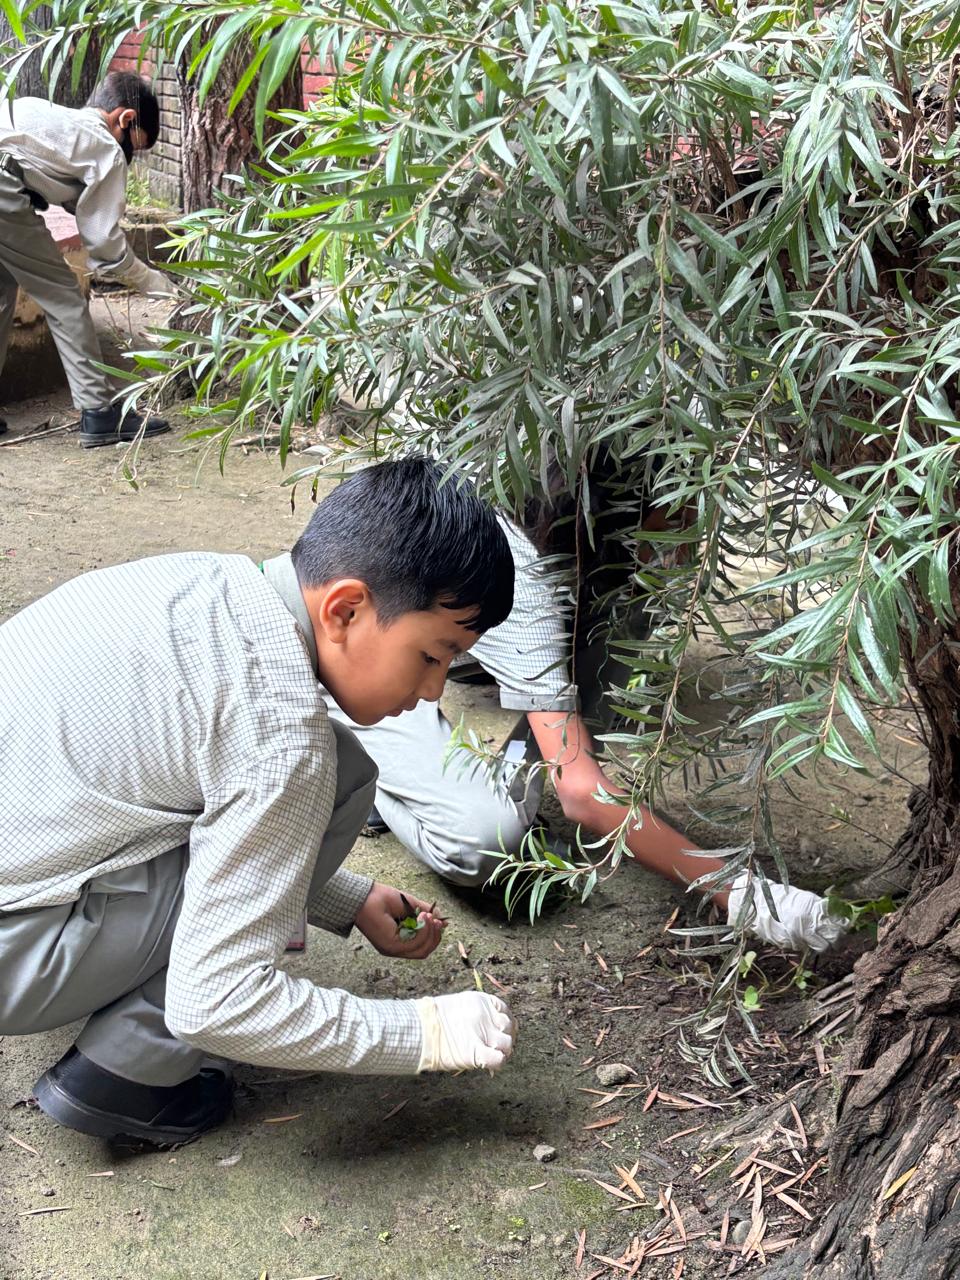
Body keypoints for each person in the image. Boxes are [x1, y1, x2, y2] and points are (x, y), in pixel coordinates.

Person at [0, 457, 517, 1148]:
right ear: (346, 609)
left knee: (331, 769)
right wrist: (425, 1032)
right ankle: (130, 1071)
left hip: (28, 882)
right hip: (19, 954)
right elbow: (216, 1001)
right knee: (336, 777)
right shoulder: (282, 736)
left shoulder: (203, 579)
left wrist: (347, 898)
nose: (433, 691)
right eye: (432, 655)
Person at [326, 508, 847, 954]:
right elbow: (580, 793)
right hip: (377, 655)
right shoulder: (523, 581)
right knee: (484, 841)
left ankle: (493, 695)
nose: (684, 555)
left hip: (480, 621)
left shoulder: (608, 548)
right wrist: (736, 891)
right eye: (678, 525)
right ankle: (370, 760)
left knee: (615, 654)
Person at [0, 71, 174, 447]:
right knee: (64, 298)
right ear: (125, 118)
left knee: (2, 290)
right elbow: (105, 248)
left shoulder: (47, 113)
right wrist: (159, 287)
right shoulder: (105, 145)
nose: (129, 158)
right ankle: (99, 413)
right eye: (134, 148)